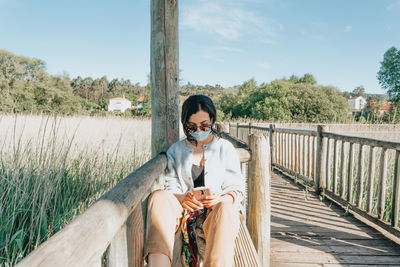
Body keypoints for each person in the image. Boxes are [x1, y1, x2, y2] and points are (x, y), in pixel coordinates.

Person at [145, 95, 245, 267]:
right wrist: (183, 198)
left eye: (204, 125)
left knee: (226, 208)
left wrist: (221, 199)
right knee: (158, 197)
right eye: (192, 127)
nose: (199, 130)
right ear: (185, 125)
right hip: (186, 212)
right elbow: (171, 187)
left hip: (216, 213)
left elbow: (236, 188)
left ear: (212, 120)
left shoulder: (225, 149)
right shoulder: (176, 150)